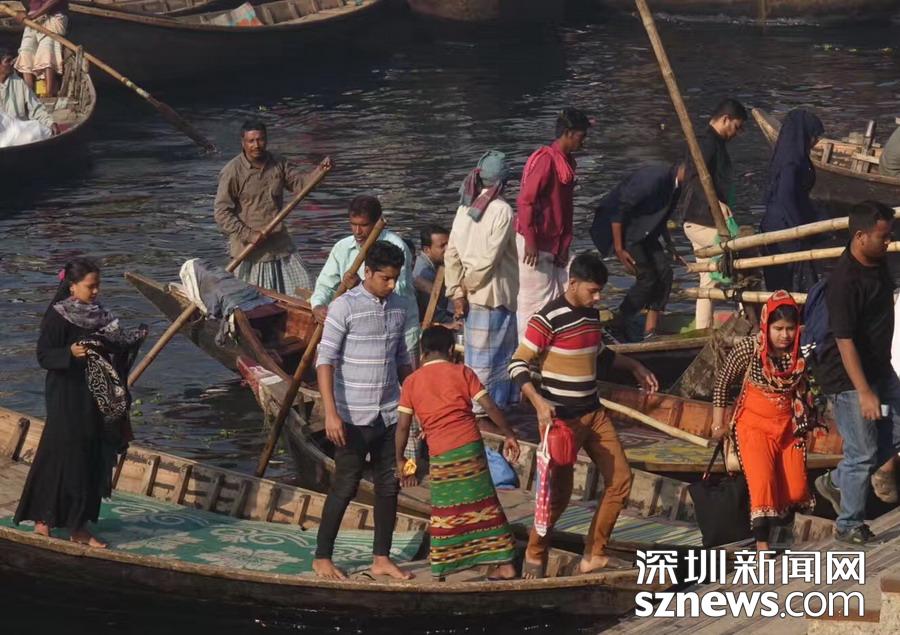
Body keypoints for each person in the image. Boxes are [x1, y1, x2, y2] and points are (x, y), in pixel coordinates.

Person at [508, 252, 658, 578]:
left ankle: (594, 554)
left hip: (594, 413)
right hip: (562, 421)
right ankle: (535, 551)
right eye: (593, 290)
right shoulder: (547, 319)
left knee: (621, 479)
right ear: (573, 283)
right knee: (559, 495)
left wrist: (635, 366)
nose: (598, 297)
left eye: (600, 291)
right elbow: (517, 363)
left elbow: (599, 354)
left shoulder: (592, 315)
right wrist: (538, 402)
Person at [15, 258, 147, 548]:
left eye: (98, 285)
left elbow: (115, 345)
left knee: (89, 454)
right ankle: (43, 519)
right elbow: (44, 355)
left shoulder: (102, 317)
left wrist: (133, 340)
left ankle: (78, 526)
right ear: (72, 286)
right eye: (90, 286)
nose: (96, 291)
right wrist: (69, 353)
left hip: (94, 395)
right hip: (65, 394)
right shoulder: (58, 315)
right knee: (60, 454)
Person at [312, 241, 414, 581]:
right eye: (385, 278)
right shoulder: (344, 306)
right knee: (345, 485)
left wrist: (416, 399)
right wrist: (330, 413)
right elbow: (325, 361)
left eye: (395, 279)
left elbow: (402, 358)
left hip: (388, 413)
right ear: (367, 273)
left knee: (389, 486)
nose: (391, 285)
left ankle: (381, 558)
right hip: (352, 416)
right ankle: (322, 557)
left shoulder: (399, 307)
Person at [395, 326, 520, 579]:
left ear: (423, 352)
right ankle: (505, 564)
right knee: (485, 504)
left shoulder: (411, 382)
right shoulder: (462, 372)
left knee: (446, 510)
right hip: (470, 446)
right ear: (451, 350)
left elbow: (403, 427)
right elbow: (490, 407)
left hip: (441, 453)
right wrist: (509, 434)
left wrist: (401, 460)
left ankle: (444, 566)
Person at [814, 201, 900, 545]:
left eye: (890, 235)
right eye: (883, 236)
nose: (889, 241)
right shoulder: (844, 282)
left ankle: (836, 481)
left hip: (881, 370)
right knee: (862, 452)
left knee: (895, 431)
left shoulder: (878, 264)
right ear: (861, 236)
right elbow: (844, 340)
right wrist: (864, 391)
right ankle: (848, 524)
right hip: (848, 379)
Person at [711, 291, 817, 551]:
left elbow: (810, 387)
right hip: (753, 426)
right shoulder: (749, 349)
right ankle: (762, 545)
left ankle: (782, 534)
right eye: (778, 329)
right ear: (766, 325)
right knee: (763, 484)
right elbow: (722, 383)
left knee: (796, 488)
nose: (785, 335)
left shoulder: (801, 350)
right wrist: (718, 425)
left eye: (790, 328)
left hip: (788, 427)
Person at [214, 119, 330, 296]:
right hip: (251, 252)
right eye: (251, 141)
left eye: (260, 140)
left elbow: (301, 185)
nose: (256, 145)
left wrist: (319, 172)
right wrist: (249, 234)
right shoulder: (232, 172)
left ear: (266, 140)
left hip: (280, 245)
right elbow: (222, 213)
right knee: (255, 302)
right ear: (243, 143)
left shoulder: (278, 163)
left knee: (307, 294)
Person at [445, 150, 519, 415]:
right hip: (493, 296)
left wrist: (457, 291)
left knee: (476, 357)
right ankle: (488, 409)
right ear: (502, 183)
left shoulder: (464, 208)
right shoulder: (502, 210)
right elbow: (489, 259)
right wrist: (466, 287)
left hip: (471, 296)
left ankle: (480, 406)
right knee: (495, 360)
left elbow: (451, 254)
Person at [310, 195, 421, 362]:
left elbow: (395, 292)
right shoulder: (342, 247)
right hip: (361, 332)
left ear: (376, 223)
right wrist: (318, 306)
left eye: (363, 225)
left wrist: (360, 286)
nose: (357, 231)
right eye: (353, 224)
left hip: (399, 331)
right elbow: (325, 285)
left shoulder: (396, 247)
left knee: (405, 375)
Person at [515, 108, 591, 334]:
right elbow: (525, 201)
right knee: (533, 304)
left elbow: (566, 207)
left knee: (566, 293)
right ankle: (527, 350)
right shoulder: (546, 161)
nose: (583, 141)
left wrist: (564, 245)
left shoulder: (568, 163)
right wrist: (531, 241)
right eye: (581, 136)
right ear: (569, 133)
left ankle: (560, 343)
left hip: (555, 242)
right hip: (535, 244)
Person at [591, 161, 686, 341]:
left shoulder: (676, 187)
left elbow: (661, 217)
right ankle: (620, 320)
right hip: (626, 232)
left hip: (645, 233)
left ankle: (650, 329)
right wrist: (619, 248)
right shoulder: (653, 178)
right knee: (647, 278)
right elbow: (619, 210)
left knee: (665, 273)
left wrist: (669, 244)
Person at [679, 98, 748, 329]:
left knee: (708, 279)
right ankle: (749, 319)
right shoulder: (707, 143)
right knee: (739, 262)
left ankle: (703, 330)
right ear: (725, 119)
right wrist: (716, 203)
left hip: (697, 220)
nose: (736, 133)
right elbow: (696, 178)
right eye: (736, 127)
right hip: (703, 221)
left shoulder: (714, 143)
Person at [759, 109, 826, 292]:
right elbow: (785, 196)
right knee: (792, 284)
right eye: (814, 136)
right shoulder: (791, 162)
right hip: (783, 228)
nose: (816, 141)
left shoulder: (791, 157)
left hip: (781, 222)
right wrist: (799, 230)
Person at [12, 0, 69, 98]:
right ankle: (29, 93)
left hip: (54, 17)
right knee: (25, 51)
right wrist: (27, 14)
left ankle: (48, 93)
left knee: (46, 50)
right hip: (32, 18)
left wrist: (33, 16)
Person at [0, 46, 57, 133]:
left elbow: (35, 108)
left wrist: (50, 123)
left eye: (12, 60)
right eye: (7, 61)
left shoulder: (19, 83)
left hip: (19, 132)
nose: (12, 63)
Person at [413, 223, 454, 326]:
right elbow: (436, 315)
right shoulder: (426, 274)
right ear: (427, 250)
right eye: (442, 246)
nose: (447, 249)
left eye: (448, 244)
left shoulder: (433, 265)